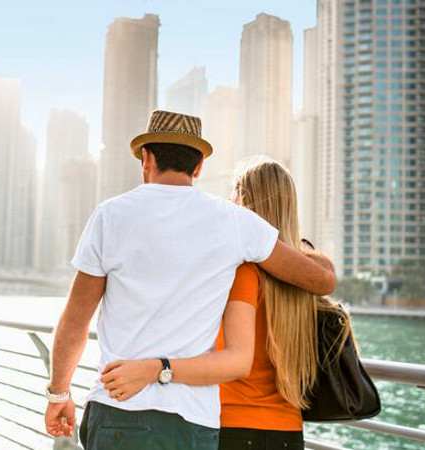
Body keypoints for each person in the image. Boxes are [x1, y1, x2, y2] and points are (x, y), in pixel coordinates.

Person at [43, 110, 336, 450]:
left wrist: (59, 392)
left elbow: (75, 321)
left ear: (146, 158)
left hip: (118, 410)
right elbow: (322, 281)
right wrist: (283, 242)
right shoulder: (237, 223)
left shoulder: (110, 215)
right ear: (198, 167)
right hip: (193, 423)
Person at [101, 158, 342, 449]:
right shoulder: (304, 275)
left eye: (234, 194)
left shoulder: (243, 271)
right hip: (288, 433)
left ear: (244, 201)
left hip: (233, 427)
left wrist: (156, 368)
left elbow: (237, 359)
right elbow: (327, 274)